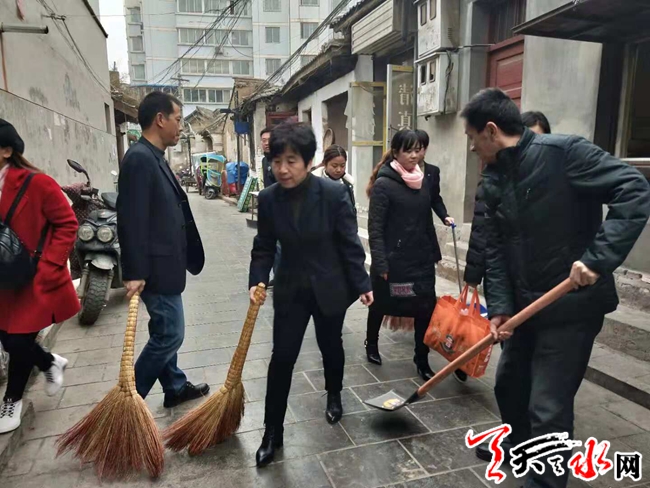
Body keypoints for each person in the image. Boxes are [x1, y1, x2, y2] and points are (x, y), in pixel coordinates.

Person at [461, 88, 650, 488]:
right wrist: (500, 307)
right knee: (509, 387)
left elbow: (634, 189)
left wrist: (597, 259)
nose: (472, 148)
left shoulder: (564, 153)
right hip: (524, 307)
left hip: (571, 308)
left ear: (491, 131)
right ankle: (521, 450)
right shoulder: (494, 178)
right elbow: (495, 249)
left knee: (547, 408)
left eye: (473, 138)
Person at [249, 122, 373, 467]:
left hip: (328, 286)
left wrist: (363, 284)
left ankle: (334, 394)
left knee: (330, 345)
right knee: (282, 358)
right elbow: (263, 246)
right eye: (277, 161)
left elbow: (349, 243)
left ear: (307, 161)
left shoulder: (332, 194)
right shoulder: (269, 198)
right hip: (290, 289)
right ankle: (272, 431)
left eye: (291, 161)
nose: (282, 169)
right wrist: (256, 280)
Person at [117, 92, 209, 408]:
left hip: (165, 265)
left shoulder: (154, 156)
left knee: (163, 329)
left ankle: (174, 386)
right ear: (160, 119)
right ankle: (128, 403)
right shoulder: (139, 159)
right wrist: (134, 273)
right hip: (155, 270)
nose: (181, 126)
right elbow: (131, 220)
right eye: (178, 119)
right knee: (170, 334)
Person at [0, 119, 77, 433]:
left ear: (6, 151)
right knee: (8, 339)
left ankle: (12, 402)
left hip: (30, 278)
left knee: (18, 339)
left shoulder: (37, 183)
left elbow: (67, 224)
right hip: (2, 282)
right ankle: (48, 362)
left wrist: (49, 265)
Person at [365, 129, 441, 381]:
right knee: (380, 304)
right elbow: (375, 228)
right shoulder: (384, 184)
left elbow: (427, 220)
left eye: (418, 150)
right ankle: (371, 343)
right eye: (408, 150)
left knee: (425, 308)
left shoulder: (422, 180)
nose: (414, 155)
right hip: (393, 261)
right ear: (396, 152)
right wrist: (381, 262)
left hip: (421, 259)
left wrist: (434, 252)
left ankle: (421, 358)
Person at [464, 111, 552, 297]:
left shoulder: (555, 174)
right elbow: (481, 230)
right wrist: (473, 275)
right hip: (506, 274)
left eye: (537, 139)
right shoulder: (492, 179)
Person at [312, 145, 355, 209]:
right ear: (325, 164)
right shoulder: (313, 182)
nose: (339, 170)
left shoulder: (348, 184)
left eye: (342, 166)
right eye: (334, 166)